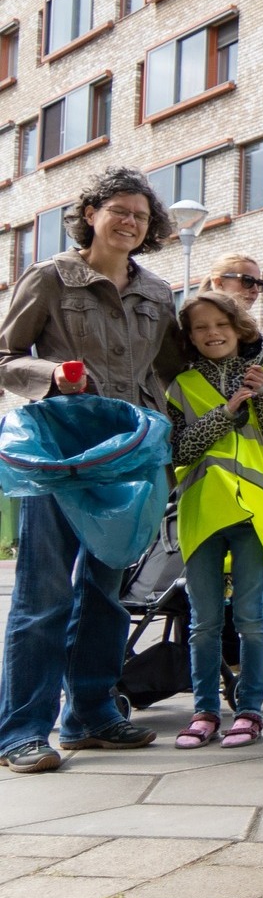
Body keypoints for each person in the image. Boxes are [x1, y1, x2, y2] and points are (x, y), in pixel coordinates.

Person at [0, 168, 184, 773]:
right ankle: (21, 730)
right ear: (91, 214)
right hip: (62, 453)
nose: (129, 222)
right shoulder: (53, 278)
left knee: (106, 594)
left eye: (139, 214)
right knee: (43, 594)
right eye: (118, 211)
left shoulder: (157, 293)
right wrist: (47, 376)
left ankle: (91, 714)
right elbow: (4, 355)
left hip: (128, 459)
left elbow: (177, 366)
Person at [165, 292, 263, 749]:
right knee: (202, 622)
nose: (212, 333)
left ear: (238, 326)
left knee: (250, 619)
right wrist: (225, 413)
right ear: (189, 337)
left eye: (220, 323)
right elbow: (178, 450)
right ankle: (203, 711)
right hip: (203, 513)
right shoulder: (179, 385)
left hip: (256, 513)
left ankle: (250, 710)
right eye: (200, 327)